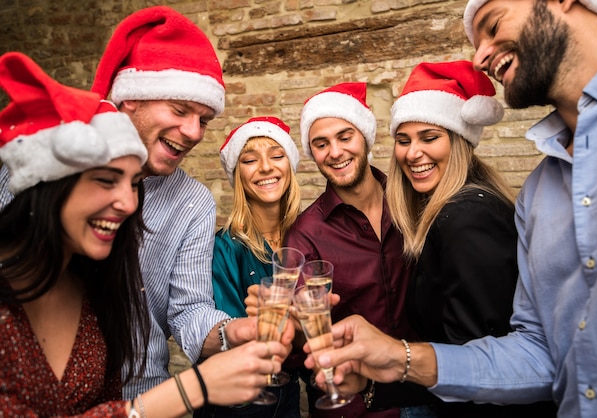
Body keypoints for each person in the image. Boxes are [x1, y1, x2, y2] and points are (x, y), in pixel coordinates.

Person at [304, 1, 597, 417]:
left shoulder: (465, 217)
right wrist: (389, 362)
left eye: (493, 24)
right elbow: (537, 355)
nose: (480, 55)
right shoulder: (540, 191)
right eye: (403, 140)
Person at [0, 51, 289, 417]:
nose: (195, 132)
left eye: (135, 184)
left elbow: (189, 310)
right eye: (180, 110)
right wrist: (190, 390)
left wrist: (234, 331)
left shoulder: (90, 303)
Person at [373, 60, 555, 416]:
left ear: (459, 141)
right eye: (403, 140)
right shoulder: (451, 206)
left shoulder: (465, 218)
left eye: (429, 137)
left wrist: (377, 384)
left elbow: (479, 366)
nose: (413, 153)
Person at [286, 82, 417, 418]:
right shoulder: (306, 234)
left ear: (365, 137)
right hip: (357, 407)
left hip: (427, 392)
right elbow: (307, 335)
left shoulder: (413, 201)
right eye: (321, 144)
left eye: (345, 137)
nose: (335, 152)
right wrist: (296, 324)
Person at [194, 116, 302, 417]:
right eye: (250, 160)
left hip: (289, 394)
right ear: (237, 175)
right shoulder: (224, 248)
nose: (266, 167)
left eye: (277, 155)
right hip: (237, 402)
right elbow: (227, 338)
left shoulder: (306, 237)